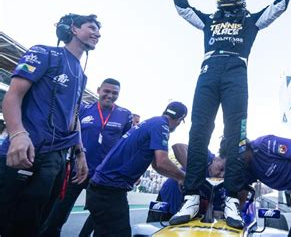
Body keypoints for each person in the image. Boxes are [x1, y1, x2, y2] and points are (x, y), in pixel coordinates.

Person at [169, 0, 291, 229]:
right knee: (198, 130)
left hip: (237, 71)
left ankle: (232, 201)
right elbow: (183, 8)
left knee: (236, 136)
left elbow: (279, 6)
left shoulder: (250, 20)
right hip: (208, 71)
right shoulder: (209, 20)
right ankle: (191, 196)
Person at [0, 13, 101, 237]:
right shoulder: (44, 52)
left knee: (33, 225)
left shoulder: (81, 75)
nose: (98, 33)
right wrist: (17, 134)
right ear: (74, 28)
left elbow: (73, 116)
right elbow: (13, 95)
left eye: (98, 30)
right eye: (92, 27)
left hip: (54, 161)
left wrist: (80, 153)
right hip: (24, 151)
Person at [41, 78, 133, 237]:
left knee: (99, 217)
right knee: (57, 214)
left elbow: (126, 146)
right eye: (107, 91)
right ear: (98, 90)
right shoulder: (83, 108)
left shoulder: (125, 115)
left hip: (103, 176)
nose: (110, 95)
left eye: (114, 93)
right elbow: (70, 133)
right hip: (77, 171)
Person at [86, 101, 187, 236]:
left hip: (103, 187)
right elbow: (162, 161)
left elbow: (156, 165)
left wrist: (177, 178)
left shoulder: (152, 122)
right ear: (180, 120)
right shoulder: (162, 126)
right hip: (109, 189)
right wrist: (183, 176)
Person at [147, 143, 226, 222]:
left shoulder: (219, 188)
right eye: (221, 169)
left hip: (188, 217)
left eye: (226, 174)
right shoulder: (205, 155)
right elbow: (178, 147)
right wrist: (190, 176)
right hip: (166, 202)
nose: (221, 175)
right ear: (216, 159)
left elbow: (217, 213)